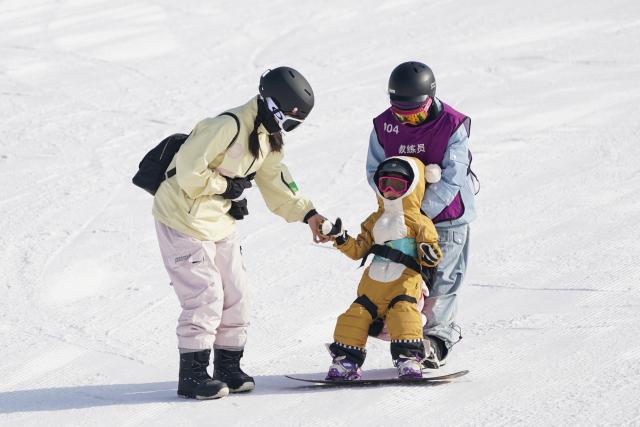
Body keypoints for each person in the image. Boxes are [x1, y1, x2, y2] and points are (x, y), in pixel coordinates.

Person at [152, 66, 328, 399]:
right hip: (181, 219)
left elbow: (276, 181)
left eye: (295, 123)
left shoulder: (267, 138)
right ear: (271, 103)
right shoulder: (226, 126)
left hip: (217, 222)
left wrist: (309, 214)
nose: (287, 127)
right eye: (287, 119)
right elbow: (189, 172)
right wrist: (226, 187)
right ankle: (192, 376)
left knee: (237, 294)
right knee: (206, 295)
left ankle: (228, 368)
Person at [366, 61, 476, 369]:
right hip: (404, 217)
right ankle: (402, 334)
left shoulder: (452, 124)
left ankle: (436, 341)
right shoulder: (383, 125)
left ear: (429, 99)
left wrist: (420, 212)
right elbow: (374, 170)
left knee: (443, 279)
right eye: (399, 112)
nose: (405, 119)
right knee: (405, 277)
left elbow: (454, 178)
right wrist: (397, 206)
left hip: (448, 217)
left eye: (413, 112)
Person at [319, 156, 442, 380]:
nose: (389, 191)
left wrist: (430, 252)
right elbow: (358, 250)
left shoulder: (419, 222)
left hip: (403, 283)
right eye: (384, 184)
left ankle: (409, 360)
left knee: (404, 315)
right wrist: (340, 238)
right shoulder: (373, 220)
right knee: (353, 317)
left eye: (397, 186)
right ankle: (346, 361)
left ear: (412, 187)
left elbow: (431, 257)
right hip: (372, 286)